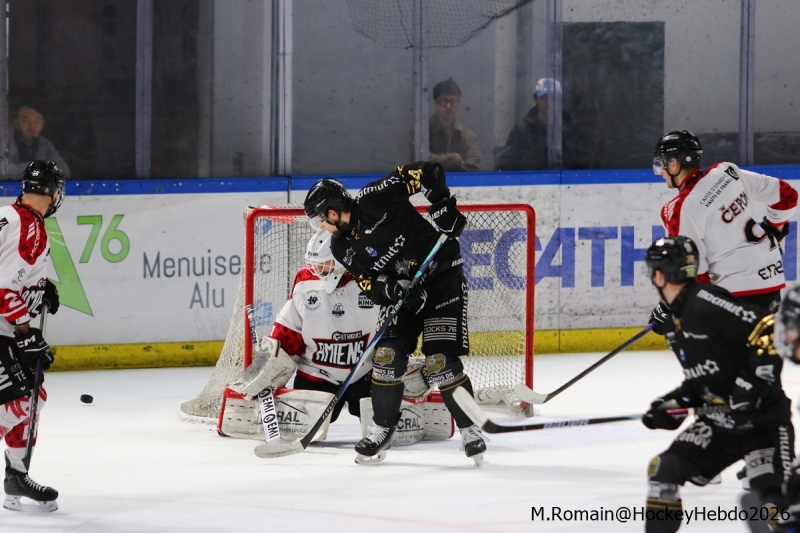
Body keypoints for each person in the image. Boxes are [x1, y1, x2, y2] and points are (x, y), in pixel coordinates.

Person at [303, 163, 487, 465]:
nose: (321, 226)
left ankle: (470, 429)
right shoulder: (340, 248)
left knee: (439, 361)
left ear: (332, 212)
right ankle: (383, 428)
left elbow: (428, 171)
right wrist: (390, 289)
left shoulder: (375, 197)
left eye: (320, 220)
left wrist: (441, 205)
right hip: (406, 293)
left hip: (441, 276)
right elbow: (368, 284)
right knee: (386, 357)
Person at [220, 229, 452, 445]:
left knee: (381, 426)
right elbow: (287, 338)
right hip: (316, 375)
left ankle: (410, 397)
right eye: (314, 265)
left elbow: (400, 331)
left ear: (343, 260)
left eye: (325, 264)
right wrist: (264, 376)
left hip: (366, 374)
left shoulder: (374, 282)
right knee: (307, 428)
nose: (317, 270)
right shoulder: (305, 283)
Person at [642, 235, 793, 533]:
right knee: (664, 470)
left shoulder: (704, 302)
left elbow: (768, 328)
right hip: (719, 426)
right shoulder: (674, 321)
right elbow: (702, 380)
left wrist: (749, 388)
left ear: (658, 275)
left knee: (773, 504)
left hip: (763, 425)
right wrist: (672, 405)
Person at [649, 131, 797, 334]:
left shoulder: (680, 209)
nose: (661, 172)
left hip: (734, 298)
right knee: (756, 359)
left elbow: (695, 273)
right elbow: (787, 195)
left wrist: (673, 307)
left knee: (714, 360)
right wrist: (775, 231)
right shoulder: (726, 172)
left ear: (673, 163)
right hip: (771, 287)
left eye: (661, 165)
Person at [0, 160, 63, 512]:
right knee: (20, 401)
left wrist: (40, 287)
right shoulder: (31, 227)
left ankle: (16, 477)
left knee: (31, 396)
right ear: (54, 193)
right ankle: (15, 476)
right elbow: (4, 289)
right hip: (4, 329)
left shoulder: (6, 215)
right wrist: (25, 334)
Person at [495, 78, 574, 171]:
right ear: (535, 99)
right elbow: (507, 165)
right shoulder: (521, 131)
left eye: (553, 98)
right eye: (544, 98)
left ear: (560, 100)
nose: (549, 103)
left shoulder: (571, 130)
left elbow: (580, 163)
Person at [5, 102, 71, 181]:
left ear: (42, 125)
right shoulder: (4, 141)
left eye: (37, 121)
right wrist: (46, 167)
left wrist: (14, 169)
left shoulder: (45, 144)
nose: (32, 126)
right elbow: (3, 172)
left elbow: (64, 172)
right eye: (26, 121)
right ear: (16, 123)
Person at [428, 78, 481, 172]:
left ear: (458, 104)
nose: (448, 106)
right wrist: (453, 160)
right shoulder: (422, 133)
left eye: (453, 101)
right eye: (443, 101)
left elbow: (474, 165)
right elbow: (419, 159)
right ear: (435, 103)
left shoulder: (468, 136)